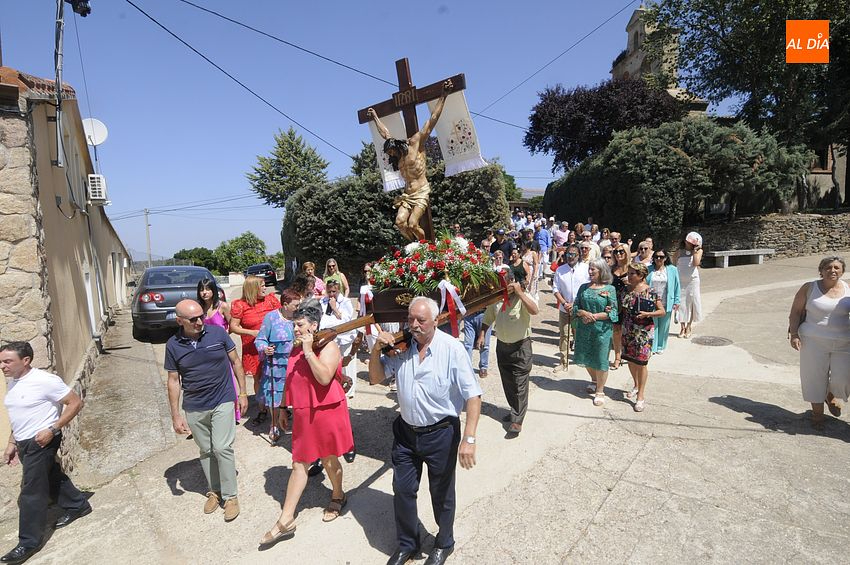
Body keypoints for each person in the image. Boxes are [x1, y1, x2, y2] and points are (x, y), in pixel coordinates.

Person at [369, 297, 482, 565]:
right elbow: (375, 378)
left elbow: (473, 396)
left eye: (421, 320)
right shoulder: (401, 346)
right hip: (406, 433)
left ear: (436, 320)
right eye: (410, 319)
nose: (414, 325)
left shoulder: (452, 349)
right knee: (403, 489)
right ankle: (408, 544)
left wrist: (469, 438)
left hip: (441, 433)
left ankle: (445, 542)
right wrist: (376, 350)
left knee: (441, 492)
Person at [259, 304, 355, 546]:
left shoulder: (328, 346)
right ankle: (286, 519)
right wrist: (283, 407)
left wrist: (309, 351)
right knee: (299, 463)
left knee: (329, 459)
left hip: (327, 411)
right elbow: (289, 379)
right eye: (294, 324)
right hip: (303, 412)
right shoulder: (295, 349)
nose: (295, 329)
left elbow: (324, 377)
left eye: (300, 325)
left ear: (314, 326)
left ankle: (338, 494)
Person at [1, 342, 91, 565]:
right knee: (50, 477)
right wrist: (12, 442)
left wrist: (53, 429)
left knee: (31, 490)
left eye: (7, 361)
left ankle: (28, 542)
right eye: (1, 361)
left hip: (42, 441)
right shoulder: (14, 382)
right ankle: (78, 504)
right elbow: (21, 415)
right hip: (25, 443)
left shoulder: (44, 381)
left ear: (26, 361)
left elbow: (75, 403)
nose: (2, 365)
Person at [166, 300, 248, 521]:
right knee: (206, 450)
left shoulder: (217, 334)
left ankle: (231, 497)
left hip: (222, 399)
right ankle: (216, 490)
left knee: (222, 447)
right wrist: (175, 415)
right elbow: (173, 380)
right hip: (194, 406)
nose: (200, 321)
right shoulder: (173, 345)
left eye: (201, 316)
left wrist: (242, 392)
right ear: (179, 321)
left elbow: (236, 362)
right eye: (193, 319)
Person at [367, 80, 452, 241]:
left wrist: (443, 96)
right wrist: (375, 117)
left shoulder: (415, 142)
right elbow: (385, 133)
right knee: (400, 222)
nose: (391, 154)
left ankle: (425, 247)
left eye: (392, 151)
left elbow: (432, 119)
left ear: (397, 146)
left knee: (413, 224)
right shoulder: (397, 155)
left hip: (421, 191)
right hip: (407, 193)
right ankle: (414, 247)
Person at [788, 256, 850, 425]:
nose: (833, 270)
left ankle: (830, 394)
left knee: (843, 378)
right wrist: (794, 334)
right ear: (821, 271)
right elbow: (795, 312)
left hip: (844, 342)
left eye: (837, 268)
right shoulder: (809, 288)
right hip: (813, 340)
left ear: (842, 271)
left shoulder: (847, 289)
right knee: (814, 377)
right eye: (828, 267)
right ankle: (817, 416)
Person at [480, 268, 539, 434]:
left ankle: (517, 421)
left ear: (512, 281)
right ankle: (515, 410)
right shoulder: (497, 299)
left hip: (521, 347)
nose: (501, 288)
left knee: (520, 383)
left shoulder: (524, 296)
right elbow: (488, 317)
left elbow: (534, 310)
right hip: (502, 347)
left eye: (504, 283)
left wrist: (520, 293)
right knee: (508, 382)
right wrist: (482, 333)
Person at [230, 276, 281, 424]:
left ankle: (279, 405)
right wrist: (251, 333)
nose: (265, 288)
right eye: (262, 286)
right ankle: (262, 408)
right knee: (258, 377)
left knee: (275, 375)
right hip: (253, 348)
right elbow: (233, 327)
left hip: (272, 345)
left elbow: (281, 317)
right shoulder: (240, 305)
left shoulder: (271, 300)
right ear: (253, 289)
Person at [254, 289, 302, 441]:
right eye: (295, 305)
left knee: (297, 393)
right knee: (275, 395)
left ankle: (299, 423)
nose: (298, 308)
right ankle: (274, 424)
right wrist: (265, 348)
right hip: (276, 364)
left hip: (296, 363)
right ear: (285, 304)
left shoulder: (299, 317)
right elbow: (260, 339)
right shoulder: (271, 317)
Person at [620, 263, 665, 412]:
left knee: (642, 362)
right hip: (628, 330)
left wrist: (648, 314)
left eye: (633, 274)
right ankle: (635, 385)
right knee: (631, 360)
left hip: (644, 332)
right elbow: (620, 308)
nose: (629, 276)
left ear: (641, 276)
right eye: (629, 273)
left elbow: (661, 311)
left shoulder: (650, 292)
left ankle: (641, 395)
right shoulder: (626, 290)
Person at [573, 259, 618, 406]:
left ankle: (600, 390)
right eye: (590, 269)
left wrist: (595, 316)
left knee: (600, 359)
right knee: (585, 356)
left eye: (594, 269)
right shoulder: (583, 287)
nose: (590, 272)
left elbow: (614, 311)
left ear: (602, 271)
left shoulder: (610, 289)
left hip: (602, 330)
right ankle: (594, 379)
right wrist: (582, 312)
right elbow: (575, 307)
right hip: (584, 328)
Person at [198, 277, 240, 421]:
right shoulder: (199, 309)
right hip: (204, 350)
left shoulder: (223, 306)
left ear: (213, 290)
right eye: (202, 290)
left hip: (222, 349)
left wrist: (222, 337)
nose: (205, 293)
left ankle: (233, 413)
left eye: (208, 289)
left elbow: (232, 326)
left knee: (228, 378)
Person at [553, 244, 590, 371]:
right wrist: (564, 303)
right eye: (568, 254)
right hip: (565, 308)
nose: (570, 256)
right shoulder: (560, 270)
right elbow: (555, 289)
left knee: (581, 334)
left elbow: (589, 287)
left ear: (579, 255)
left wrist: (576, 304)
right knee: (564, 335)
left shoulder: (586, 269)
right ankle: (563, 361)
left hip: (581, 308)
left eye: (573, 254)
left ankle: (582, 358)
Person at [320, 280, 357, 398]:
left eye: (334, 292)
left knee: (346, 363)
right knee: (334, 364)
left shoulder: (345, 302)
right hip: (330, 337)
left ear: (339, 290)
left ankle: (349, 391)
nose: (331, 294)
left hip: (344, 337)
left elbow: (346, 320)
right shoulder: (323, 301)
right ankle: (337, 389)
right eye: (329, 291)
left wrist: (334, 308)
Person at [647, 249, 680, 354]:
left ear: (665, 258)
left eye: (661, 257)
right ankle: (653, 346)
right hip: (651, 301)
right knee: (653, 324)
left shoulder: (672, 270)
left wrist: (676, 301)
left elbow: (677, 286)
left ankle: (661, 346)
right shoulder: (649, 269)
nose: (658, 259)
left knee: (664, 326)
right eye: (656, 256)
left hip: (666, 300)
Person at [675, 232, 703, 338]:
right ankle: (682, 326)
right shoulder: (679, 251)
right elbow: (674, 264)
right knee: (681, 303)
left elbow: (696, 263)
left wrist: (695, 251)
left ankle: (689, 326)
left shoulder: (698, 251)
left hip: (693, 280)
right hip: (681, 280)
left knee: (692, 303)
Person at [610, 243, 631, 370]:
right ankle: (618, 357)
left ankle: (628, 355)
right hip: (615, 303)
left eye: (621, 251)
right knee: (616, 331)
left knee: (628, 331)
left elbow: (642, 285)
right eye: (616, 252)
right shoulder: (611, 269)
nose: (618, 254)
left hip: (629, 304)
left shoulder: (632, 268)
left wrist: (629, 283)